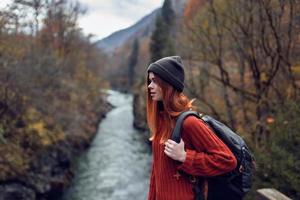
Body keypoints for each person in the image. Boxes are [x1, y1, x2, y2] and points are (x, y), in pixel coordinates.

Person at [146, 56, 237, 200]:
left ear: (169, 85)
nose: (150, 86)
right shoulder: (162, 121)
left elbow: (227, 160)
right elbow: (156, 174)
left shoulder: (189, 123)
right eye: (150, 81)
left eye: (155, 81)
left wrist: (184, 157)